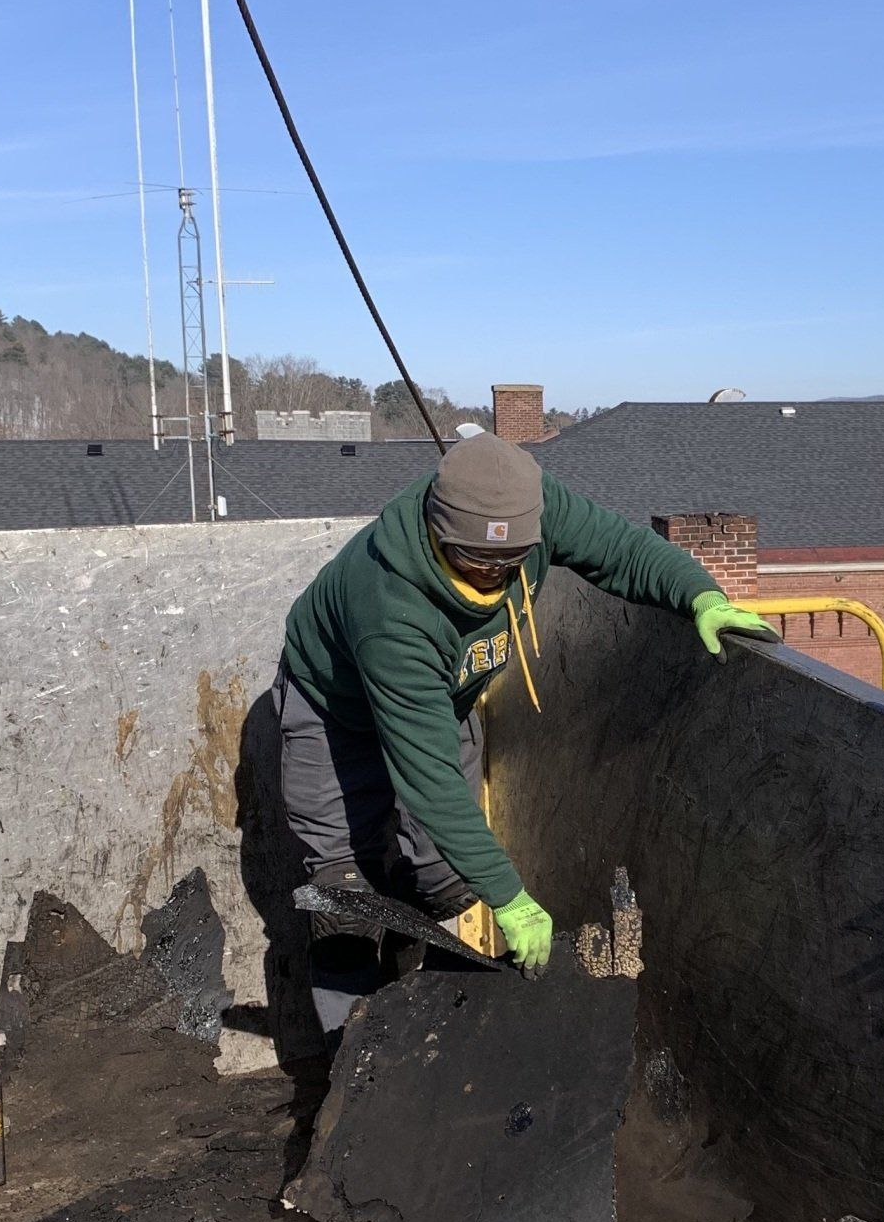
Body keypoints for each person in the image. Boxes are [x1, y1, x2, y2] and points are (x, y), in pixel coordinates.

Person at [276, 430, 773, 1034]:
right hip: (337, 715)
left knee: (450, 877)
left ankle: (433, 1031)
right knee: (346, 896)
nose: (493, 576)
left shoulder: (531, 508)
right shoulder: (390, 608)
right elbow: (430, 783)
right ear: (438, 531)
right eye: (474, 560)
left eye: (509, 562)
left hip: (440, 704)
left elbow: (623, 551)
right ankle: (355, 1081)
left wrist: (700, 597)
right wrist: (510, 895)